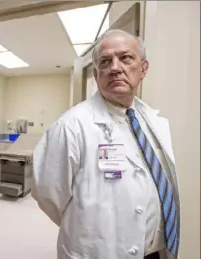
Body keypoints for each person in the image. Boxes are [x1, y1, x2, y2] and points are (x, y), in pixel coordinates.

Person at [31, 29, 180, 259]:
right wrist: (92, 230)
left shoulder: (152, 122)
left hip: (154, 252)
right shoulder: (71, 126)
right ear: (96, 72)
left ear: (143, 69)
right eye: (105, 61)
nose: (115, 67)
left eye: (126, 58)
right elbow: (48, 195)